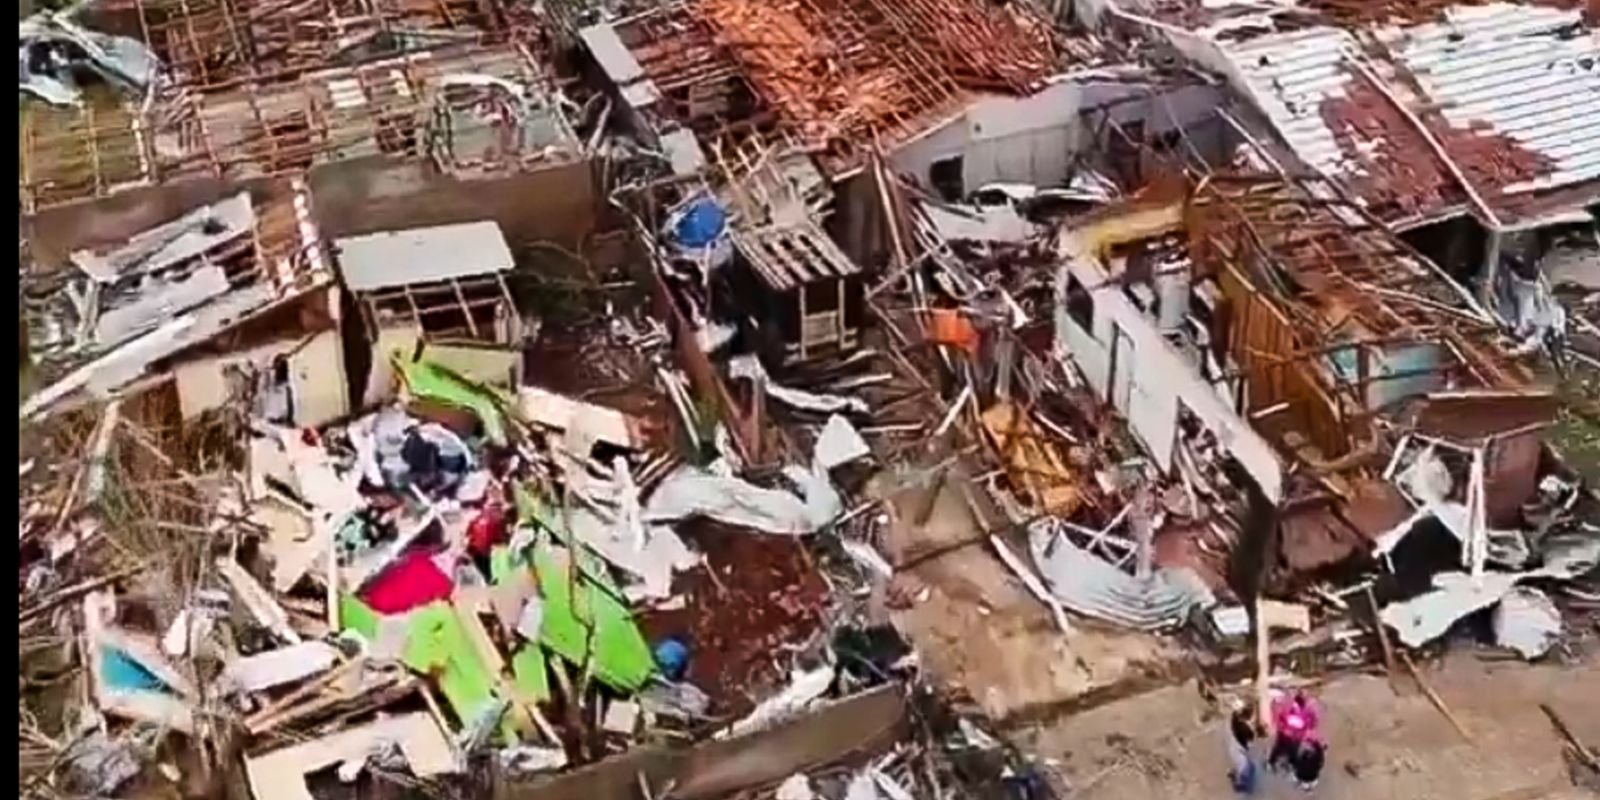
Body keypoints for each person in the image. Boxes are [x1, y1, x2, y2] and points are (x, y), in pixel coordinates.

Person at [1268, 691, 1321, 772]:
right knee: (1281, 748)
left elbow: (1312, 721)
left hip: (1292, 735)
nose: (1295, 707)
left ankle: (1287, 762)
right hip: (1289, 734)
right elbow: (1281, 716)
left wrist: (1310, 725)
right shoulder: (1291, 708)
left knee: (1289, 749)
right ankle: (1273, 762)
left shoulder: (1305, 711)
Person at [1225, 704, 1259, 794]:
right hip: (1239, 749)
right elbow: (1250, 740)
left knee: (1241, 764)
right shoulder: (1245, 729)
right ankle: (1239, 785)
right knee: (1245, 768)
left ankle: (1234, 774)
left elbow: (1234, 716)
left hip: (1233, 745)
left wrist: (1237, 711)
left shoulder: (1236, 721)